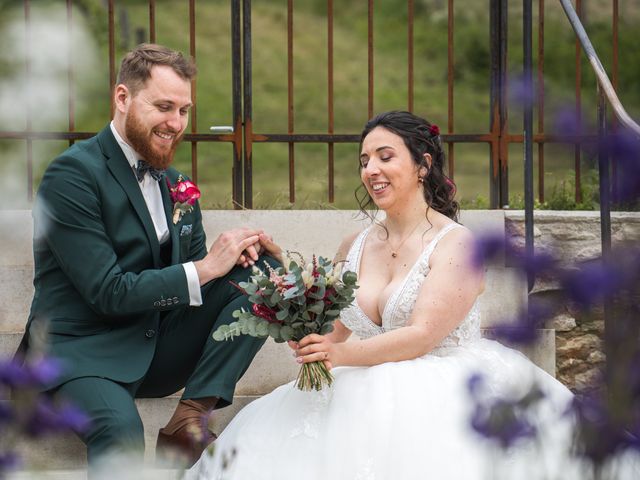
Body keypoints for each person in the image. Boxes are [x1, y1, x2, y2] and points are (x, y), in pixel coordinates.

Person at [185, 111, 602, 480]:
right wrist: (298, 316)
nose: (371, 170)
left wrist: (338, 356)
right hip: (359, 376)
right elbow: (335, 332)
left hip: (447, 387)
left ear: (423, 165)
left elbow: (422, 335)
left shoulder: (456, 244)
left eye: (385, 156)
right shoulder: (355, 243)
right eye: (365, 161)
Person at [17, 43, 281, 468]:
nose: (176, 123)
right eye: (163, 107)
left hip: (154, 345)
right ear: (122, 98)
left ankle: (190, 417)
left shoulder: (178, 185)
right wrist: (205, 266)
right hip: (83, 352)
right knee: (121, 432)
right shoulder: (71, 175)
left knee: (266, 273)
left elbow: (198, 281)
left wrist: (243, 258)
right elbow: (107, 292)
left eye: (184, 110)